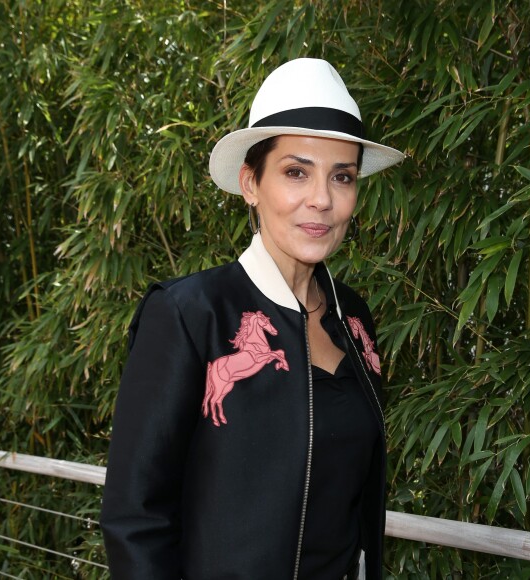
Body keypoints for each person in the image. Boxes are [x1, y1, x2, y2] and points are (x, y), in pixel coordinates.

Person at [100, 57, 404, 580]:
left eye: (343, 177)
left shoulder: (354, 319)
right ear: (250, 183)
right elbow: (135, 518)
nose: (322, 200)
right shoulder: (190, 314)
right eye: (295, 172)